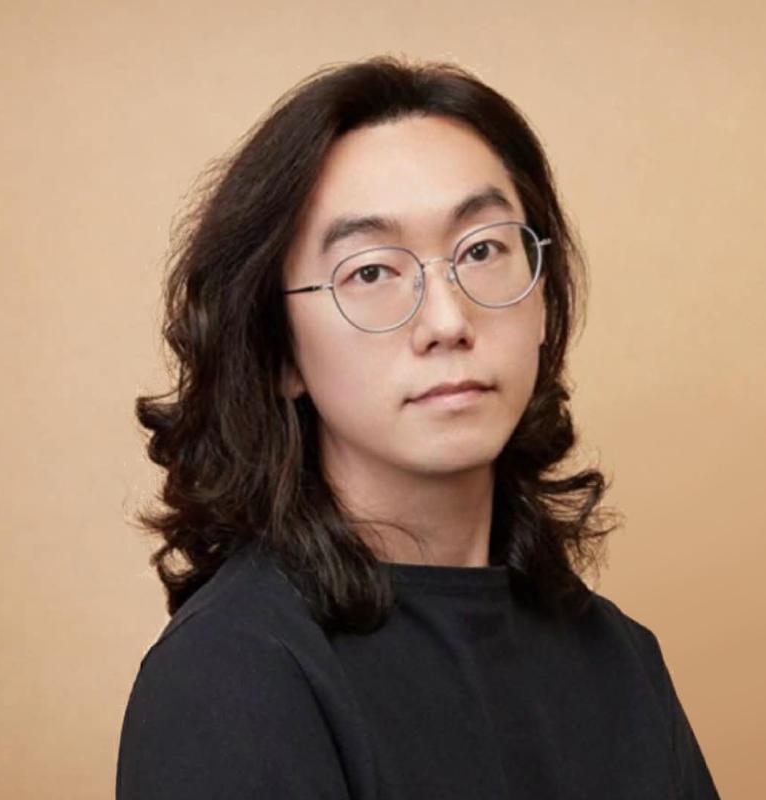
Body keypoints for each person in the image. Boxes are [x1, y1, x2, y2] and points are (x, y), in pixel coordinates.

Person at [115, 55, 720, 799]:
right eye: (371, 271)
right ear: (279, 351)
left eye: (483, 250)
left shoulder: (620, 659)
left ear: (543, 300)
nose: (447, 321)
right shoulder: (229, 676)